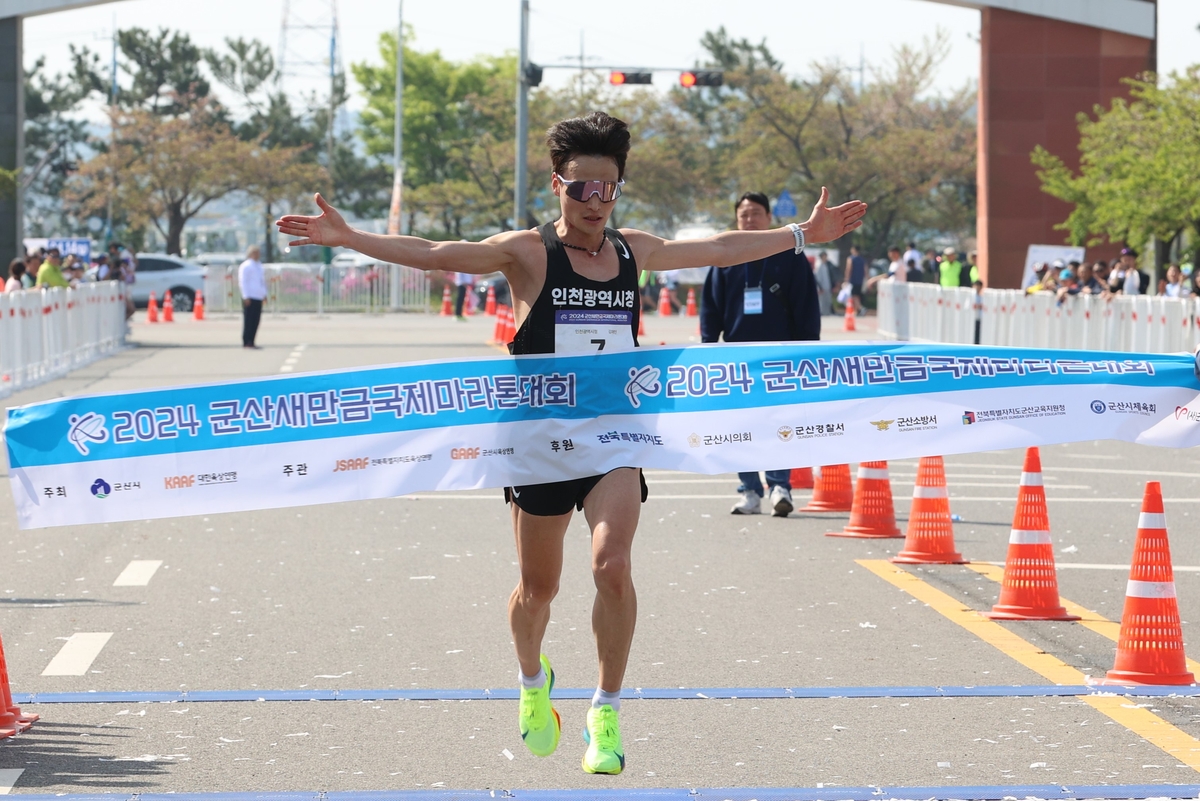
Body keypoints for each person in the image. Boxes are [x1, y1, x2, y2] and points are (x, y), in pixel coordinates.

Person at [275, 111, 867, 775]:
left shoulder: (633, 252)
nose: (597, 204)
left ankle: (605, 709)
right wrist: (350, 237)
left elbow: (721, 249)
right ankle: (533, 682)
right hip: (538, 445)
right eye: (584, 190)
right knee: (538, 590)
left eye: (609, 191)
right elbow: (439, 256)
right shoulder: (528, 254)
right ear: (558, 186)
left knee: (612, 566)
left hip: (613, 440)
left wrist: (799, 236)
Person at [700, 191, 821, 518]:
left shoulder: (790, 255)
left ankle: (780, 485)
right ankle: (750, 490)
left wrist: (808, 347)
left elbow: (807, 304)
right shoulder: (726, 257)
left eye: (755, 213)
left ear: (769, 218)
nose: (749, 219)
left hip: (781, 355)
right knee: (740, 425)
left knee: (780, 423)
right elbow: (710, 305)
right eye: (743, 215)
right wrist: (708, 346)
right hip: (737, 357)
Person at [238, 245, 267, 349]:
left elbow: (262, 281)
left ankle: (252, 340)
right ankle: (247, 340)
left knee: (256, 320)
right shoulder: (246, 266)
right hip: (249, 296)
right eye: (256, 252)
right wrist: (245, 296)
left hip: (258, 296)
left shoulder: (259, 265)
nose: (258, 255)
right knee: (249, 320)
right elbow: (243, 282)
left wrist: (264, 294)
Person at [843, 244, 866, 311]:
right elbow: (866, 270)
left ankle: (861, 308)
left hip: (853, 280)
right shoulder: (862, 259)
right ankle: (856, 310)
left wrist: (846, 279)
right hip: (860, 280)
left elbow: (848, 269)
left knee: (854, 295)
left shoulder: (851, 258)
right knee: (857, 295)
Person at [812, 250, 834, 315]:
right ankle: (821, 313)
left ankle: (827, 313)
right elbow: (817, 277)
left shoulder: (827, 265)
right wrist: (820, 287)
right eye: (824, 256)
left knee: (828, 300)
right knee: (821, 301)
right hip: (822, 287)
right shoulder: (819, 265)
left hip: (828, 285)